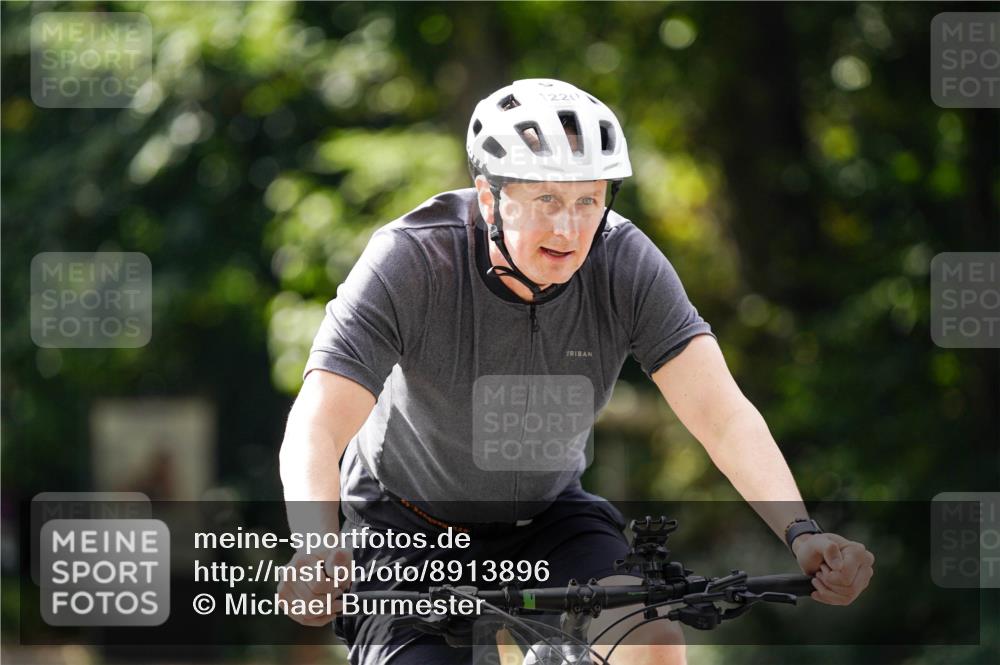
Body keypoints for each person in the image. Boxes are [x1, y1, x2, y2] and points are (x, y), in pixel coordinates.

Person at [277, 78, 875, 665]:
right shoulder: (411, 261)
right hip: (407, 526)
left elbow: (722, 416)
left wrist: (802, 532)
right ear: (490, 199)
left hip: (550, 518)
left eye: (587, 200)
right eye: (546, 201)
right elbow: (317, 424)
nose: (568, 228)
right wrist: (315, 546)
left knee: (652, 640)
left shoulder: (625, 263)